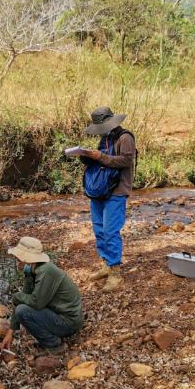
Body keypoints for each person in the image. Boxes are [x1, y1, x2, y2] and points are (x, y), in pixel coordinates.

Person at [78, 106, 136, 292]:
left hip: (117, 189)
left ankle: (115, 272)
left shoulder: (125, 137)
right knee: (99, 229)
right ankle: (106, 264)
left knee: (111, 231)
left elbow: (126, 161)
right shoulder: (106, 138)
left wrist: (101, 156)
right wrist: (87, 157)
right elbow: (101, 161)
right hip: (100, 190)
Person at [7, 236, 84, 350]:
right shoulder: (31, 269)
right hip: (58, 315)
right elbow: (24, 295)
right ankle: (51, 337)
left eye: (18, 257)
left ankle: (53, 344)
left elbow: (36, 303)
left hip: (68, 322)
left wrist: (16, 296)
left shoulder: (46, 271)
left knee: (22, 311)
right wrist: (10, 331)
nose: (17, 260)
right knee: (21, 306)